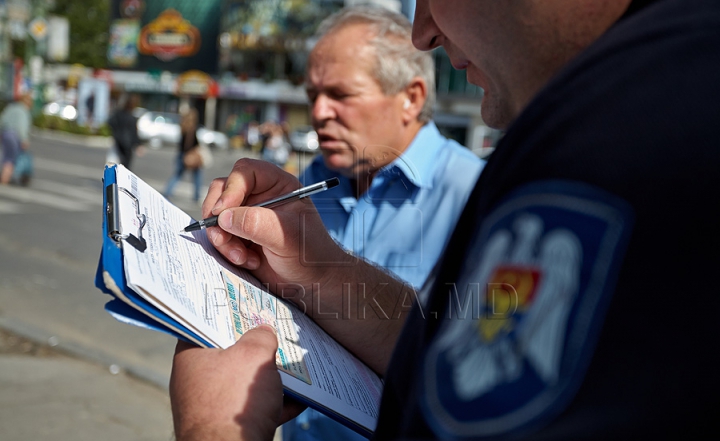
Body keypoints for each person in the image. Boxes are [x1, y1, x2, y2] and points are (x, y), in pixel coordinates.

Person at [170, 0, 720, 439]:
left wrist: (217, 428)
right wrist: (323, 275)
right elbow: (459, 355)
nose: (423, 30)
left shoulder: (628, 137)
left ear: (410, 99)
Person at [283, 7, 483, 441]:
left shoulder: (476, 195)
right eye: (312, 94)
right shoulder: (307, 184)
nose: (318, 112)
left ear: (410, 97)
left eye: (340, 94)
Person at [164, 108, 203, 202]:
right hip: (189, 155)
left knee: (177, 175)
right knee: (197, 176)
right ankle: (197, 196)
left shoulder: (183, 126)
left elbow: (181, 144)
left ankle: (168, 192)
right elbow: (192, 144)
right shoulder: (192, 129)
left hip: (181, 154)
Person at [0, 94, 33, 185]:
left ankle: (3, 178)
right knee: (11, 159)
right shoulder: (24, 111)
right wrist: (24, 139)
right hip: (15, 136)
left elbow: (2, 120)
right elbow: (22, 126)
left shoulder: (11, 107)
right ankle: (4, 180)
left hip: (5, 134)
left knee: (6, 157)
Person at [107, 94, 141, 170]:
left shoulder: (118, 114)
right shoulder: (132, 118)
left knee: (114, 164)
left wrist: (116, 134)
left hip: (118, 142)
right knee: (125, 167)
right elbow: (134, 133)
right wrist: (138, 144)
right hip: (127, 145)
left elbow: (111, 123)